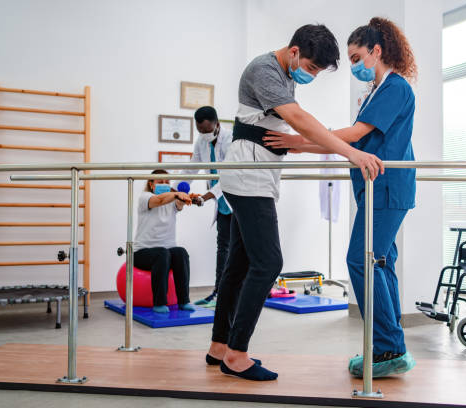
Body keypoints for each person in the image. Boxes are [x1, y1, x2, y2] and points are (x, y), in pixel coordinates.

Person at [207, 24, 384, 381]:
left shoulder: (284, 73)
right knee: (269, 262)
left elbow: (292, 129)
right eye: (312, 68)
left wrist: (300, 144)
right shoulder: (265, 70)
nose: (312, 76)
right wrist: (349, 152)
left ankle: (219, 347)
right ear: (294, 53)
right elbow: (300, 120)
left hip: (257, 173)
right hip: (248, 175)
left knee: (239, 264)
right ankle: (237, 355)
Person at [263, 17, 417, 378]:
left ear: (376, 51)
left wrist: (302, 140)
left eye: (356, 56)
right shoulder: (375, 93)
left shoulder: (395, 87)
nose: (354, 66)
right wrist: (303, 147)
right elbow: (349, 141)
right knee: (380, 263)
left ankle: (389, 348)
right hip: (377, 188)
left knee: (360, 262)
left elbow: (356, 133)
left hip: (388, 187)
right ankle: (390, 347)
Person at [174, 106, 233, 308]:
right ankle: (219, 293)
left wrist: (205, 197)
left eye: (207, 131)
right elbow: (192, 166)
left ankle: (235, 294)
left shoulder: (231, 139)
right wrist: (175, 189)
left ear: (217, 124)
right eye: (200, 131)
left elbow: (229, 177)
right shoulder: (201, 142)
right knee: (223, 248)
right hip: (223, 205)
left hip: (239, 201)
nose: (204, 135)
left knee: (241, 251)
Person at [133, 170, 197, 313]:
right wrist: (176, 194)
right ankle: (159, 303)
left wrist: (184, 198)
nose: (164, 184)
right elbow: (160, 200)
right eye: (160, 182)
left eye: (167, 182)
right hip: (141, 253)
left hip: (165, 252)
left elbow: (179, 205)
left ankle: (184, 301)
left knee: (180, 252)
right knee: (162, 254)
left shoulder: (172, 200)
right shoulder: (145, 197)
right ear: (151, 184)